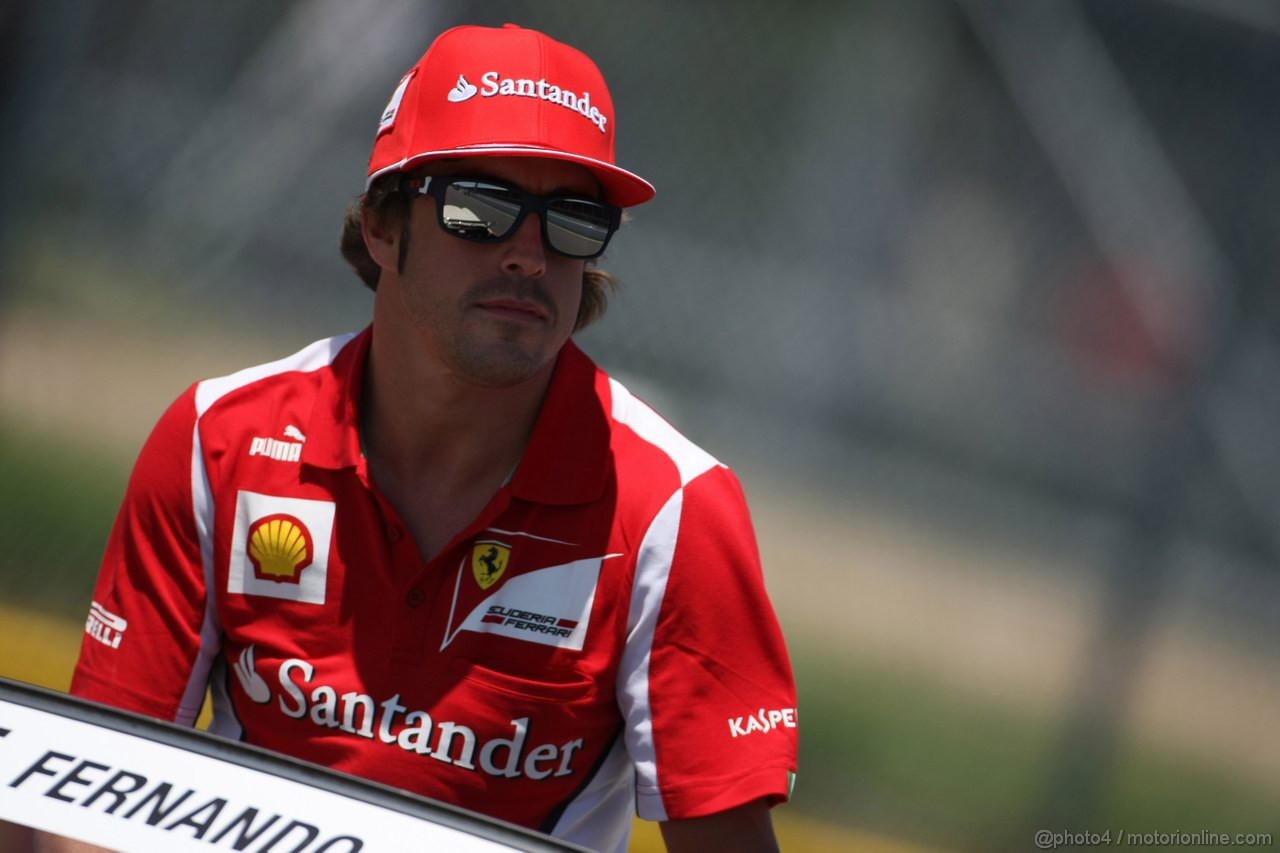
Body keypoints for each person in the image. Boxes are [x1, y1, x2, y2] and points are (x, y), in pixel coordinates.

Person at [65, 23, 797, 853]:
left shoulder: (675, 511)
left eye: (574, 221)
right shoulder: (216, 439)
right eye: (478, 207)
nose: (528, 254)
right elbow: (86, 803)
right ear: (381, 223)